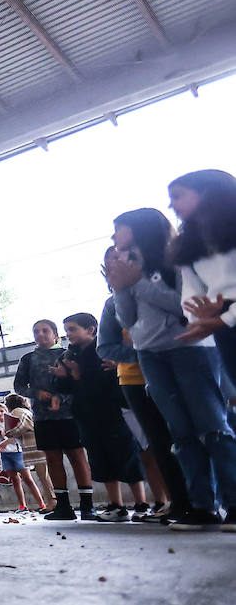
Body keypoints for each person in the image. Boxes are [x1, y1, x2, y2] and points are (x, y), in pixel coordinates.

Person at [108, 205, 236, 531]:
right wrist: (121, 287)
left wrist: (135, 283)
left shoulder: (175, 260)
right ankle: (201, 507)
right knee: (180, 434)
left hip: (191, 350)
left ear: (138, 229)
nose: (114, 236)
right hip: (150, 355)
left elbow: (185, 307)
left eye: (118, 228)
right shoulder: (128, 266)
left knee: (213, 427)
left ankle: (233, 503)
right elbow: (128, 319)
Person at [98, 283, 185, 523]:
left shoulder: (167, 289)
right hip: (134, 380)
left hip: (176, 371)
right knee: (157, 444)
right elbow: (106, 347)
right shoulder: (111, 305)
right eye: (111, 266)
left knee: (188, 436)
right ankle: (176, 502)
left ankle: (206, 501)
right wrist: (145, 350)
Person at [50, 312, 147, 523]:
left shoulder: (103, 351)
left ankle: (141, 503)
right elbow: (66, 388)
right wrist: (63, 377)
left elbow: (106, 381)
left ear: (91, 330)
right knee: (100, 458)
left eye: (73, 329)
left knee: (125, 454)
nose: (69, 334)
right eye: (66, 330)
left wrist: (77, 375)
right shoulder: (69, 355)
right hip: (85, 414)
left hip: (111, 411)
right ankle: (116, 505)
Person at [14, 319, 95, 520]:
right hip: (43, 417)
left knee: (77, 456)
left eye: (45, 330)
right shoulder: (27, 359)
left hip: (70, 414)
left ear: (55, 335)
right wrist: (37, 393)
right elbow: (19, 386)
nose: (40, 334)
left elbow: (79, 382)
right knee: (53, 459)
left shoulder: (67, 354)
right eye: (36, 331)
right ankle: (63, 507)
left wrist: (62, 397)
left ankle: (87, 506)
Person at [169, 170, 236, 386]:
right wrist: (198, 317)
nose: (172, 205)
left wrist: (225, 318)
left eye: (178, 196)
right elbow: (191, 291)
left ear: (208, 192)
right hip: (222, 322)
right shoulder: (188, 243)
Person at [0, 396, 48, 513]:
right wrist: (0, 438)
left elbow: (18, 436)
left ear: (6, 410)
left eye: (2, 410)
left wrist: (6, 438)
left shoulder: (13, 420)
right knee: (15, 480)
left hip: (17, 453)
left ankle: (42, 504)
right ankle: (22, 506)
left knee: (28, 479)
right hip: (5, 455)